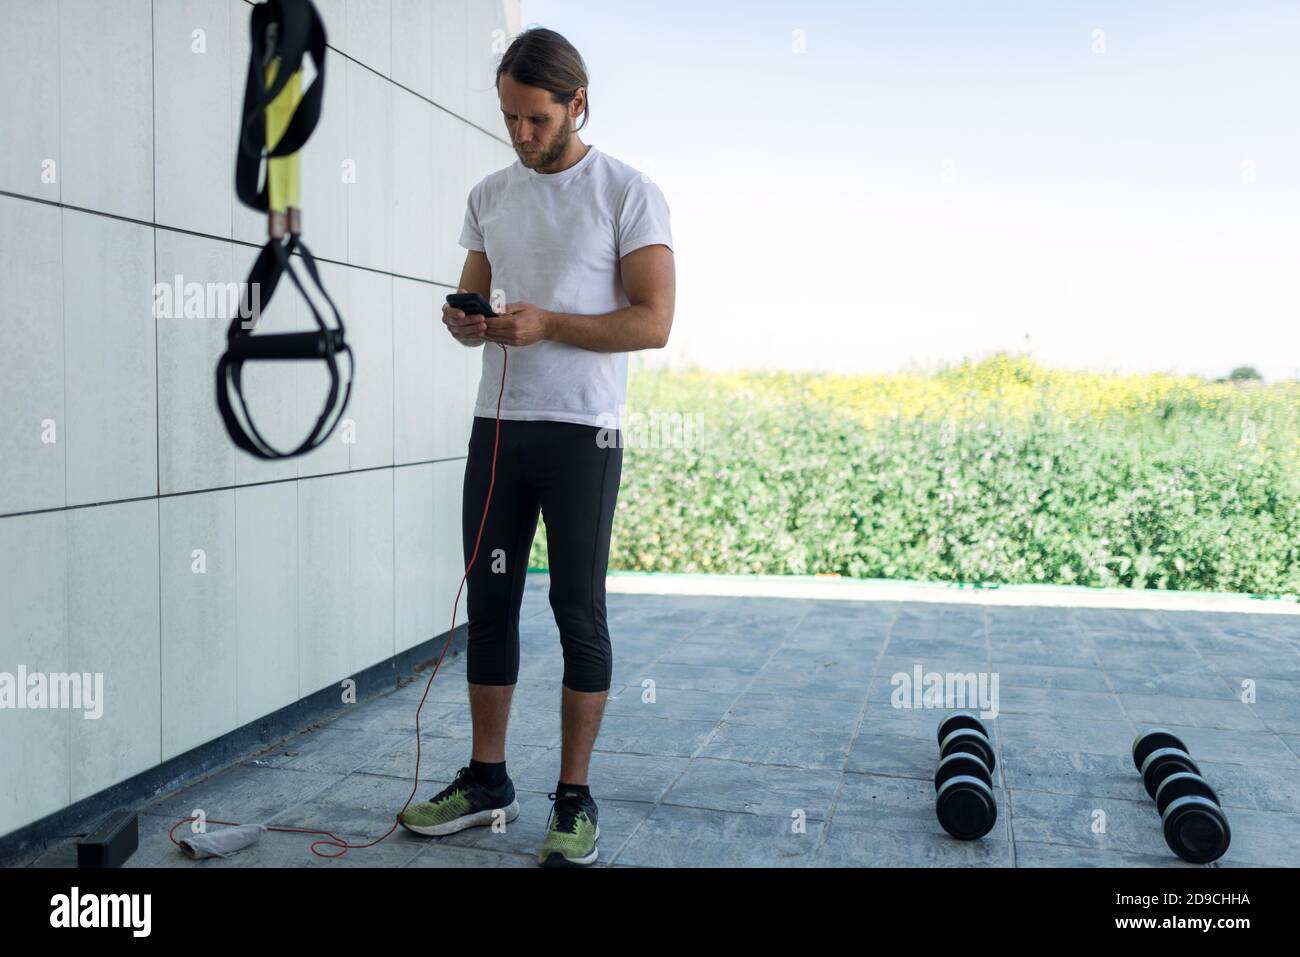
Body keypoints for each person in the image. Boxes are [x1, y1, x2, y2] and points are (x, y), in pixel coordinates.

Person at [398, 27, 675, 867]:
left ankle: (573, 797)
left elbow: (654, 322)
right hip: (499, 433)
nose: (520, 134)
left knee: (576, 609)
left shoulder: (628, 192)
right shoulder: (489, 194)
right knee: (491, 603)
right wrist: (464, 321)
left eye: (535, 118)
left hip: (582, 434)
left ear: (576, 104)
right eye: (510, 118)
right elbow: (473, 304)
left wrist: (549, 321)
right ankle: (488, 781)